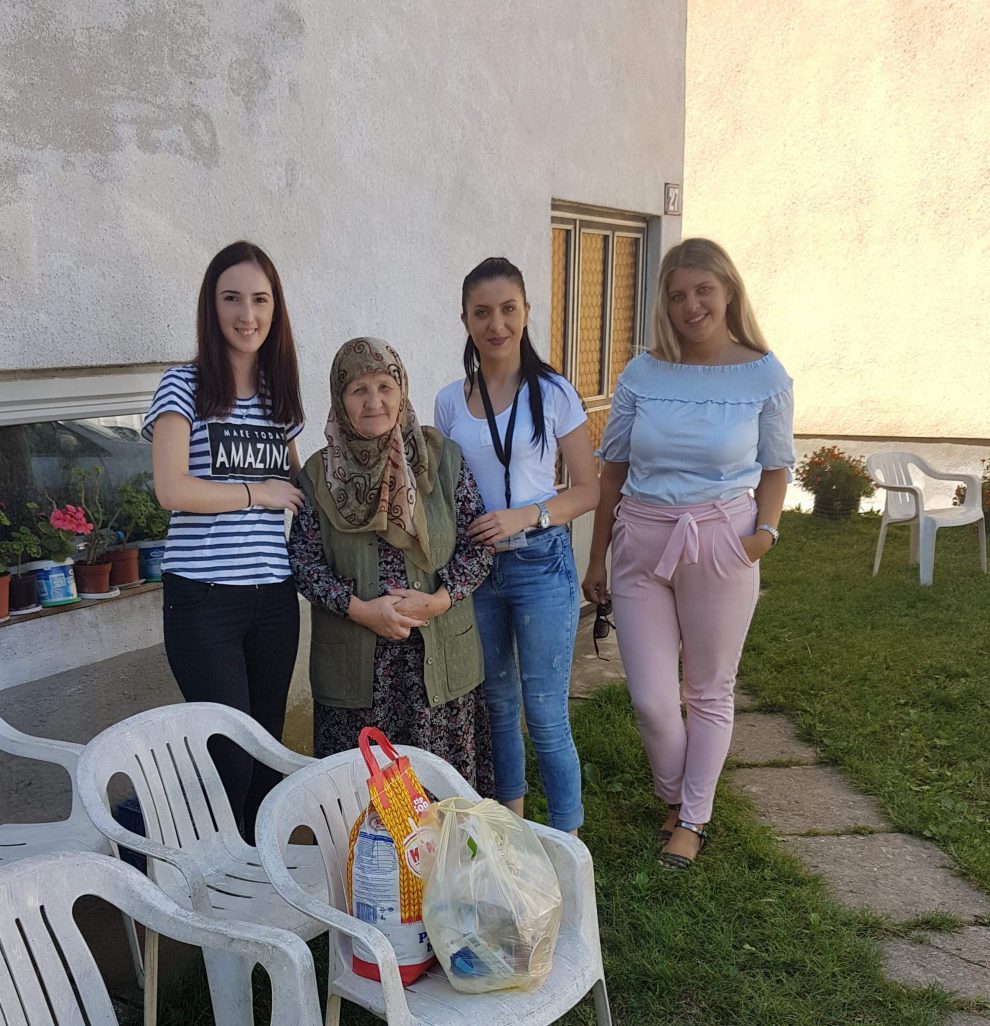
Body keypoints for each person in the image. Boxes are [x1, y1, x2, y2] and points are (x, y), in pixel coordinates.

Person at [582, 238, 795, 869]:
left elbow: (776, 467)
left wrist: (763, 535)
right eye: (677, 295)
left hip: (721, 540)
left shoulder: (764, 375)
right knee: (652, 699)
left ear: (728, 291)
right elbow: (613, 471)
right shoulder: (642, 374)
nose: (691, 305)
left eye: (703, 290)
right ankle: (678, 794)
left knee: (708, 690)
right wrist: (597, 558)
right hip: (641, 542)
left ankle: (692, 818)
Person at [143, 240, 305, 842]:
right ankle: (197, 870)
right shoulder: (182, 386)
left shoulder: (277, 394)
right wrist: (254, 493)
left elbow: (298, 485)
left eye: (260, 300)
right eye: (232, 298)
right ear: (211, 307)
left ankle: (257, 877)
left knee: (265, 755)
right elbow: (171, 488)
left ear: (275, 308)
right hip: (204, 599)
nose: (247, 314)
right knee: (227, 758)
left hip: (274, 599)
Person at [434, 257, 599, 834]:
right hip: (477, 572)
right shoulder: (450, 401)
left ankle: (567, 843)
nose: (496, 324)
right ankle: (512, 836)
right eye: (482, 312)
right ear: (465, 320)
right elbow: (443, 490)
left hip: (541, 563)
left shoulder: (553, 393)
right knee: (497, 708)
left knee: (546, 715)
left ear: (526, 312)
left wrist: (528, 514)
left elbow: (589, 489)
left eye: (508, 309)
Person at [288, 337, 495, 792]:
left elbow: (479, 545)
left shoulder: (443, 460)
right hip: (359, 677)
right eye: (358, 389)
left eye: (385, 386)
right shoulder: (319, 474)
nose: (374, 401)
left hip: (436, 666)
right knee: (362, 803)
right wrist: (361, 609)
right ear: (340, 397)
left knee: (441, 804)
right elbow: (302, 562)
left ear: (402, 392)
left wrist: (439, 601)